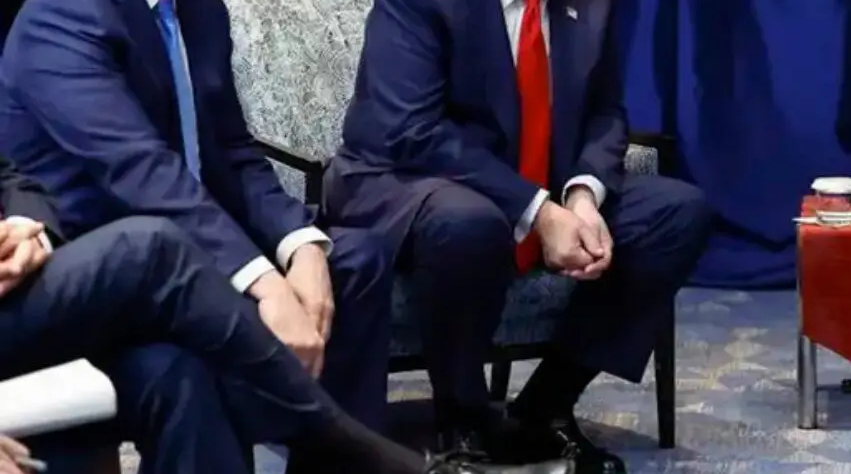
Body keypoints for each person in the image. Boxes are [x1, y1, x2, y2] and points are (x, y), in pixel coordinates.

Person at [0, 0, 394, 443]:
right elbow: (143, 175)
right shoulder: (63, 19)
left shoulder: (198, 3)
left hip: (200, 232)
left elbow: (233, 152)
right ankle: (333, 439)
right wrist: (263, 281)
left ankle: (329, 452)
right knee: (198, 353)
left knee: (354, 259)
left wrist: (299, 246)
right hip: (118, 262)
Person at [326, 0, 713, 472]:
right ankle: (462, 422)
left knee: (678, 211)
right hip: (404, 182)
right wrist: (537, 210)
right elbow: (413, 132)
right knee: (469, 220)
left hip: (536, 178)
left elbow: (605, 111)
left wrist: (582, 196)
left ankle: (546, 409)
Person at [0, 150, 560, 474]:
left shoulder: (199, 15)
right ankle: (345, 443)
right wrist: (264, 281)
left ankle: (339, 448)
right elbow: (139, 167)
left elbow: (11, 179)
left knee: (175, 372)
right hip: (99, 272)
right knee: (148, 248)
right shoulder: (65, 16)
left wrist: (28, 229)